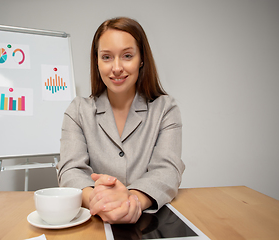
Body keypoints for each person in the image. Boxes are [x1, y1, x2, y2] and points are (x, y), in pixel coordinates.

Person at [57, 17, 185, 224]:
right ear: (96, 61)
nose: (116, 68)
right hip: (94, 223)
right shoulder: (78, 110)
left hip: (149, 222)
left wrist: (132, 200)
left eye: (127, 56)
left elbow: (167, 170)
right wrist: (99, 202)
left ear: (141, 59)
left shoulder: (165, 109)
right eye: (106, 57)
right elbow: (70, 170)